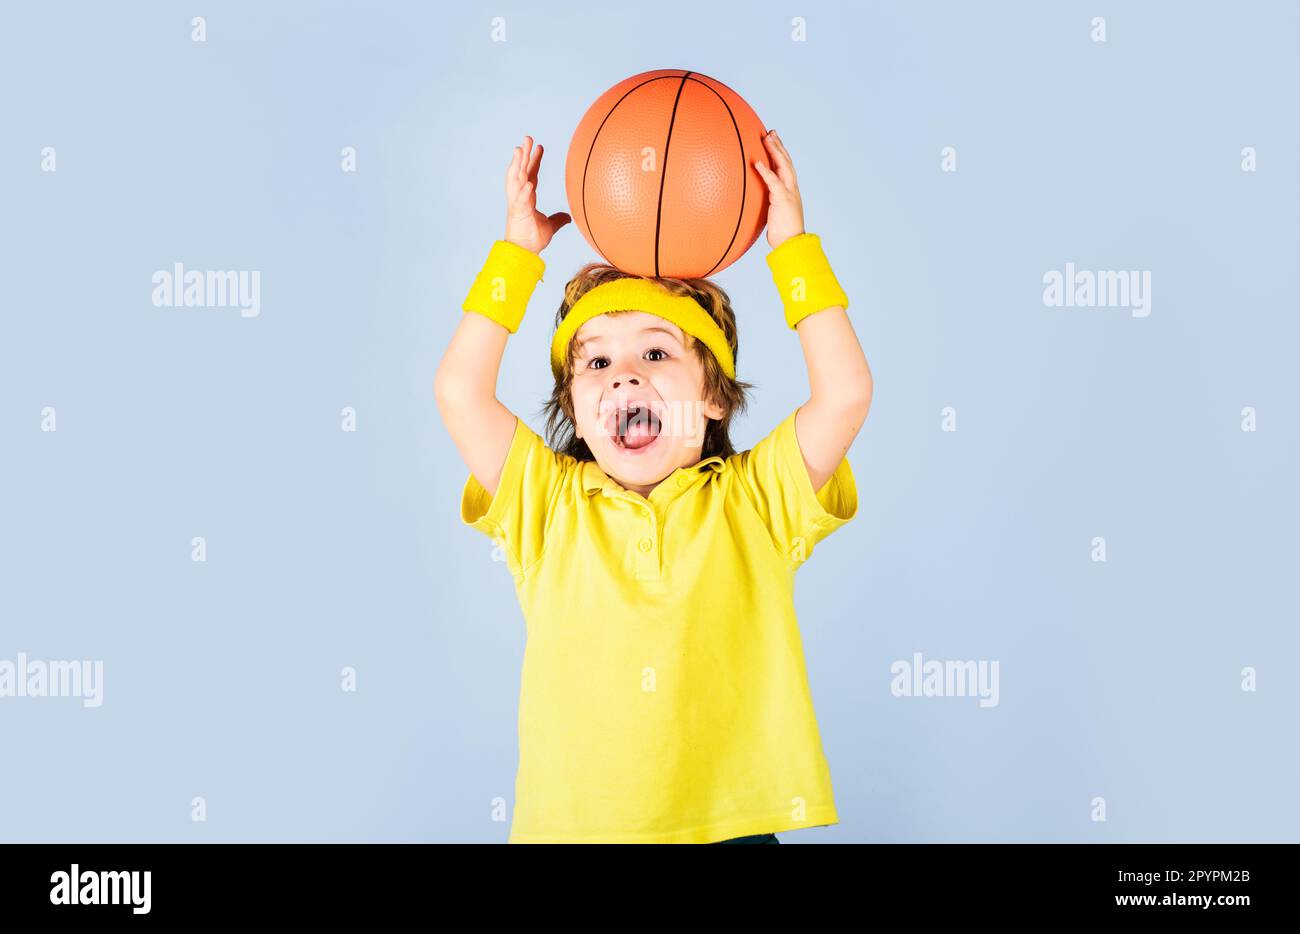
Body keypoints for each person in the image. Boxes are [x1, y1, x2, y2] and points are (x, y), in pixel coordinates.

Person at [435, 131, 873, 843]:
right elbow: (459, 391)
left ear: (715, 399)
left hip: (734, 828)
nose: (623, 375)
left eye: (656, 351)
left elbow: (847, 392)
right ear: (575, 407)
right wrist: (516, 256)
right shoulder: (545, 504)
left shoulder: (755, 501)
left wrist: (792, 249)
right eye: (596, 361)